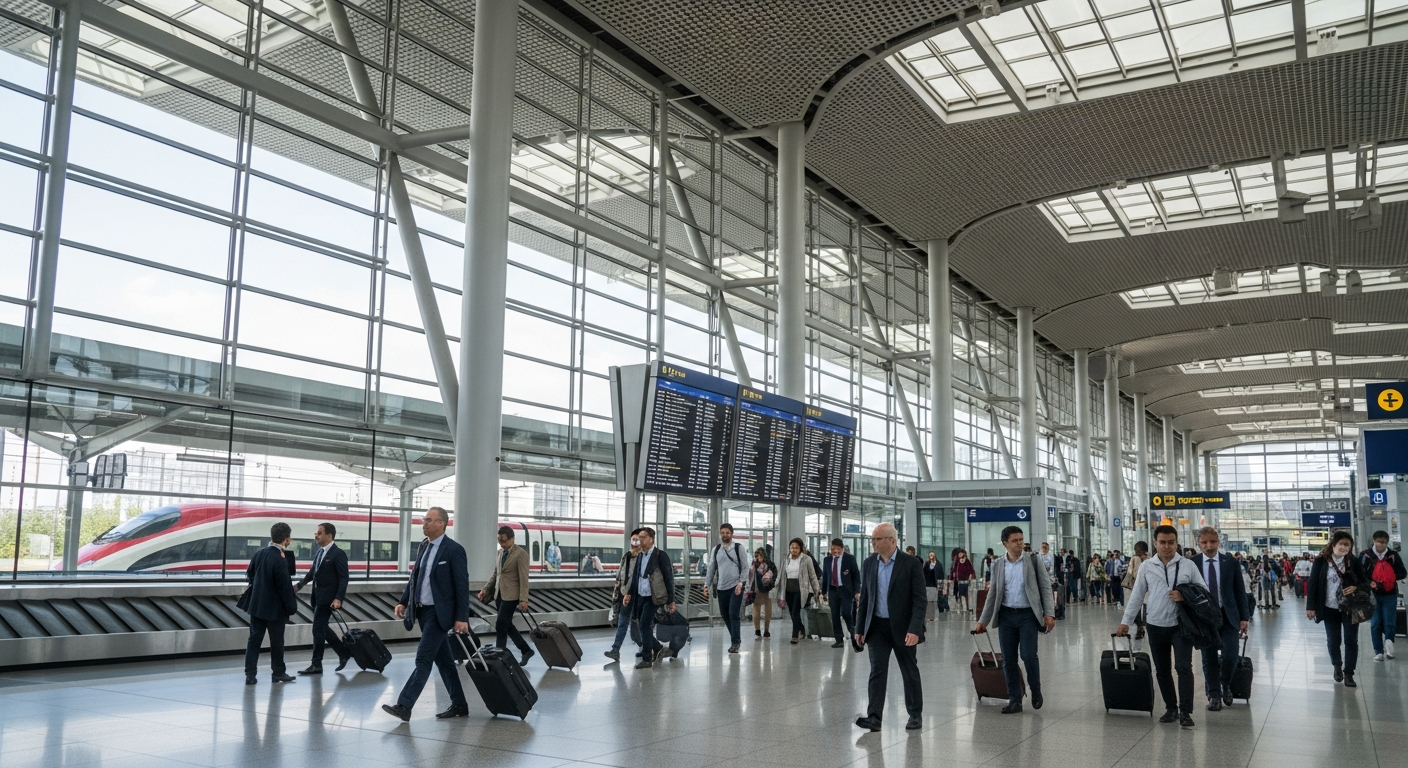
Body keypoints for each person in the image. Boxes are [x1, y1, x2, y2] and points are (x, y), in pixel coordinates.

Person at [383, 507, 470, 721]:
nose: (424, 523)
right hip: (423, 611)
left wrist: (461, 617)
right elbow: (415, 578)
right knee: (445, 662)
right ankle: (460, 704)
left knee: (423, 659)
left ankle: (404, 705)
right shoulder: (424, 547)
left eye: (430, 520)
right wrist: (403, 601)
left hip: (440, 614)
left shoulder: (454, 550)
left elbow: (462, 586)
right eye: (424, 520)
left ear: (442, 524)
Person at [1118, 525, 1207, 728]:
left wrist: (1185, 595)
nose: (1167, 547)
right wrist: (1126, 622)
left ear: (1177, 543)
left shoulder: (1188, 565)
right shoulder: (1147, 566)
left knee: (1183, 667)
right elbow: (1137, 595)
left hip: (1181, 625)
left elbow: (1203, 590)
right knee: (1162, 669)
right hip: (1155, 624)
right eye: (1162, 542)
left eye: (1171, 542)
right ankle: (1171, 708)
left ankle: (1185, 711)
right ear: (1155, 543)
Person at [853, 523, 926, 732]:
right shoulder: (869, 563)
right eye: (872, 539)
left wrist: (915, 629)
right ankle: (874, 717)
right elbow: (865, 598)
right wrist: (859, 628)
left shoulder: (910, 563)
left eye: (877, 539)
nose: (873, 543)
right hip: (877, 627)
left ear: (891, 540)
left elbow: (919, 600)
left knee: (909, 671)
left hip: (904, 628)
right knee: (877, 672)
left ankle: (915, 714)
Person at [974, 526, 1055, 714]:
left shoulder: (1033, 560)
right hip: (1006, 616)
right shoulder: (998, 564)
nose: (1020, 543)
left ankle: (1035, 690)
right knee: (1009, 659)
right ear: (1005, 544)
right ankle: (1014, 699)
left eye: (1021, 539)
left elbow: (1045, 588)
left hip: (1028, 615)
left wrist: (1049, 613)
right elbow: (993, 594)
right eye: (1015, 540)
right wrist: (982, 621)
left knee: (1028, 655)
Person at [1190, 527, 1251, 710]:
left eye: (1213, 542)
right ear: (1199, 543)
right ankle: (1214, 695)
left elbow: (1239, 591)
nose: (1209, 546)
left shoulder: (1230, 562)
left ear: (1218, 542)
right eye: (1204, 542)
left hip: (1228, 616)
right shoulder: (1192, 563)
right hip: (1205, 618)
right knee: (1208, 657)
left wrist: (1244, 617)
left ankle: (1225, 683)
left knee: (1230, 655)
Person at [1307, 530, 1367, 687]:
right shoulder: (1321, 561)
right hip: (1329, 607)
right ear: (1333, 544)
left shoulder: (1353, 561)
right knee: (1333, 640)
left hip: (1350, 607)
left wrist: (1356, 587)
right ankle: (1337, 665)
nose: (1344, 547)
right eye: (1341, 544)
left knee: (1351, 640)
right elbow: (1313, 583)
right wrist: (1310, 606)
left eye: (1347, 545)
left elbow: (1365, 582)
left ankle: (1349, 673)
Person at [243, 522, 299, 685]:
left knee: (254, 640)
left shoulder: (259, 554)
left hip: (257, 605)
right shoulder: (281, 560)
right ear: (286, 539)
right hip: (275, 609)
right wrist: (291, 607)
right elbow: (284, 587)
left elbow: (250, 574)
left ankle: (250, 674)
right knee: (277, 641)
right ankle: (278, 673)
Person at [295, 522, 351, 675]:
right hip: (317, 597)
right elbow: (312, 572)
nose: (316, 536)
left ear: (329, 535)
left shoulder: (338, 554)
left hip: (328, 599)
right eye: (316, 533)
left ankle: (317, 664)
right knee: (321, 628)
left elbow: (344, 578)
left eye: (319, 533)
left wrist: (339, 598)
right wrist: (299, 585)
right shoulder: (320, 553)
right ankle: (343, 652)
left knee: (317, 629)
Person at [477, 525, 534, 667]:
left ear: (512, 539)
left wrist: (524, 599)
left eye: (504, 541)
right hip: (499, 594)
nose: (501, 544)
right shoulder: (500, 553)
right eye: (499, 541)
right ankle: (526, 650)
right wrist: (485, 589)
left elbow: (523, 578)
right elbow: (496, 574)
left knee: (500, 625)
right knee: (507, 624)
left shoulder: (521, 554)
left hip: (512, 596)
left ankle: (499, 656)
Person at [624, 527, 676, 669]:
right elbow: (636, 577)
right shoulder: (640, 555)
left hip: (654, 597)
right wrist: (629, 593)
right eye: (639, 537)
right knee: (641, 624)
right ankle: (657, 647)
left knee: (644, 625)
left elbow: (669, 578)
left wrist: (671, 600)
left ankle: (647, 659)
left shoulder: (661, 556)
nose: (639, 540)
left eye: (643, 537)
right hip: (641, 595)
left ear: (651, 539)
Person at [1361, 530, 1407, 662]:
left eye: (1384, 542)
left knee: (1389, 622)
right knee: (1375, 623)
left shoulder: (1393, 555)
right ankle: (1378, 651)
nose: (1381, 544)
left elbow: (1402, 572)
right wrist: (1370, 583)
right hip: (1373, 594)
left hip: (1390, 594)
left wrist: (1389, 578)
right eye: (1379, 541)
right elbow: (1360, 573)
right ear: (1374, 541)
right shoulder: (1365, 555)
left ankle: (1389, 644)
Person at [704, 522, 748, 653]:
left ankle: (735, 642)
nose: (725, 535)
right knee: (725, 614)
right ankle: (735, 637)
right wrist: (706, 585)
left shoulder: (738, 548)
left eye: (727, 533)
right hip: (721, 587)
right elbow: (711, 568)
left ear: (732, 534)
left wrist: (741, 583)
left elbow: (745, 567)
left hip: (736, 586)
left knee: (733, 613)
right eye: (723, 533)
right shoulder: (716, 549)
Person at [605, 529, 643, 662]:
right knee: (623, 623)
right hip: (624, 596)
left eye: (638, 540)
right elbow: (619, 576)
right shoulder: (626, 556)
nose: (635, 542)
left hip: (639, 597)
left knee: (639, 625)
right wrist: (617, 594)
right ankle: (615, 650)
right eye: (633, 539)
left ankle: (648, 646)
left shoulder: (644, 557)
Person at [779, 538, 820, 644]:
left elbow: (812, 576)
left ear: (801, 548)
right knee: (792, 613)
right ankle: (801, 628)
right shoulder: (786, 559)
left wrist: (817, 590)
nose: (794, 550)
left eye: (796, 548)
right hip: (788, 589)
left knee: (795, 612)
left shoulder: (806, 559)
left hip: (801, 589)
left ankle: (794, 636)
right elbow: (782, 575)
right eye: (792, 547)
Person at [824, 538, 861, 646]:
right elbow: (825, 576)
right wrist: (823, 592)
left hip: (846, 590)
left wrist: (857, 591)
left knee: (846, 613)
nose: (835, 551)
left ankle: (854, 636)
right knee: (834, 615)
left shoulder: (849, 559)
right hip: (833, 590)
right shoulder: (827, 560)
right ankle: (839, 640)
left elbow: (856, 576)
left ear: (842, 548)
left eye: (837, 549)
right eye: (833, 549)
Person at [749, 547, 777, 638]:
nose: (758, 558)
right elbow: (775, 575)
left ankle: (761, 630)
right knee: (764, 609)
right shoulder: (770, 564)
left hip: (760, 589)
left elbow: (750, 577)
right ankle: (763, 630)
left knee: (759, 609)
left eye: (759, 556)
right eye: (757, 556)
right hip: (765, 589)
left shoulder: (754, 564)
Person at [1124, 541, 1149, 640]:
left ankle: (1141, 628)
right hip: (1142, 589)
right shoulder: (1148, 559)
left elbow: (1133, 573)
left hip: (1139, 589)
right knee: (1140, 609)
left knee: (1140, 609)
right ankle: (1141, 627)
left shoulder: (1138, 559)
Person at [923, 551, 944, 621]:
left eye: (932, 555)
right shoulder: (927, 564)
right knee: (929, 601)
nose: (931, 556)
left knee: (935, 601)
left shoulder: (939, 565)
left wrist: (941, 584)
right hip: (928, 584)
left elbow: (941, 574)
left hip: (935, 584)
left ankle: (935, 614)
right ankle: (930, 616)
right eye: (930, 555)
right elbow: (925, 573)